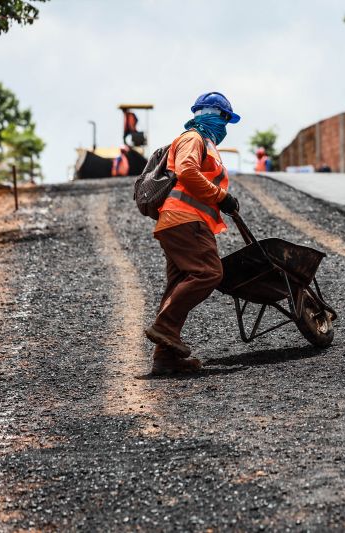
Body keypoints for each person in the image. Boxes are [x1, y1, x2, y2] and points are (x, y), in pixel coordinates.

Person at [144, 91, 242, 376]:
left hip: (177, 223)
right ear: (214, 115)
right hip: (187, 221)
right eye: (224, 119)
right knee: (209, 273)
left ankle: (165, 358)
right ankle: (164, 327)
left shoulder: (204, 143)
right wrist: (221, 196)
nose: (225, 127)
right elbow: (187, 171)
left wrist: (221, 201)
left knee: (178, 285)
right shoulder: (193, 139)